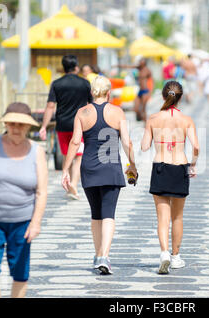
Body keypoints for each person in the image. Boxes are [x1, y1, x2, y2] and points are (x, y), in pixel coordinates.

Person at [61, 76, 137, 275]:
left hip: (90, 168)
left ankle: (97, 255)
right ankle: (104, 256)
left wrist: (65, 169)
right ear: (109, 92)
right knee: (108, 214)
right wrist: (133, 165)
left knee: (95, 214)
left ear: (91, 93)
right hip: (111, 168)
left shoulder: (82, 113)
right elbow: (127, 143)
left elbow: (75, 142)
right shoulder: (117, 112)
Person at [0, 102, 48, 298]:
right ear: (5, 124)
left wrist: (36, 222)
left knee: (20, 274)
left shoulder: (36, 151)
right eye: (12, 123)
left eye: (21, 124)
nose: (16, 128)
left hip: (22, 222)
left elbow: (42, 191)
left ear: (29, 126)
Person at [141, 80, 199, 274]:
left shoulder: (153, 118)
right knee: (178, 217)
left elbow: (144, 146)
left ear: (164, 96)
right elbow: (196, 147)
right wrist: (193, 163)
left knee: (162, 218)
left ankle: (164, 253)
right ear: (180, 97)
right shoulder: (187, 120)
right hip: (180, 167)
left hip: (160, 167)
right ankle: (175, 257)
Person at [40, 55, 93, 200]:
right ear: (76, 67)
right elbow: (91, 105)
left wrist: (44, 126)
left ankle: (69, 184)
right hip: (80, 125)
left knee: (66, 155)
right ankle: (74, 184)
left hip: (62, 125)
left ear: (63, 68)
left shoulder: (57, 84)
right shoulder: (84, 83)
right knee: (78, 156)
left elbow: (50, 106)